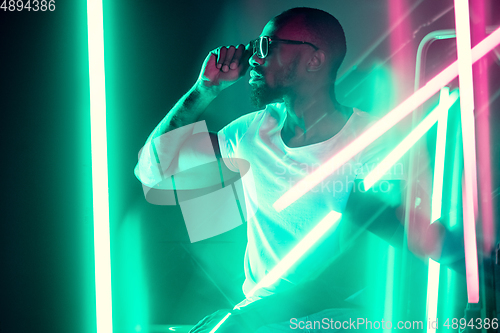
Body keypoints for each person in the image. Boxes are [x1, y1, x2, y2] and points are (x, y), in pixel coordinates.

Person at [136, 7, 454, 332]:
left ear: (314, 60)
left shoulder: (376, 143)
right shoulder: (252, 133)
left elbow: (362, 266)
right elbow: (152, 168)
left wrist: (247, 318)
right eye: (253, 48)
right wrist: (205, 88)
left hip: (335, 322)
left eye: (267, 47)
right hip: (255, 320)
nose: (254, 60)